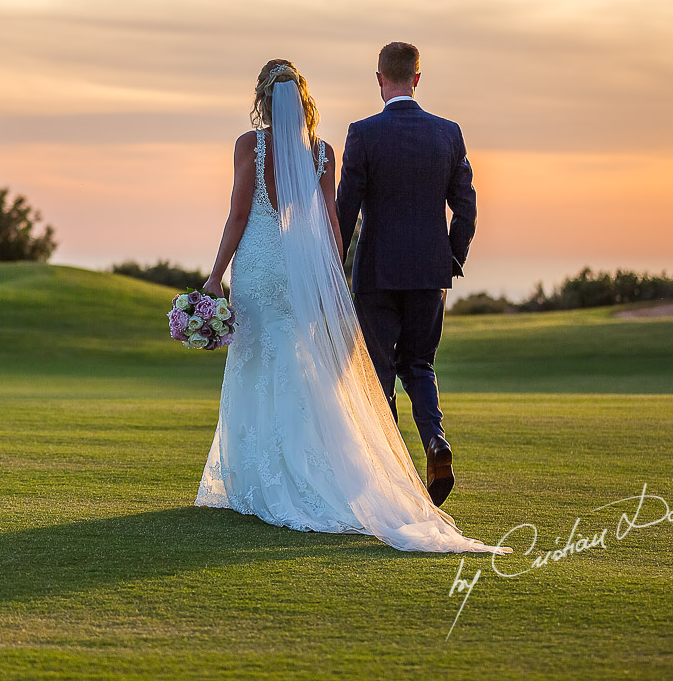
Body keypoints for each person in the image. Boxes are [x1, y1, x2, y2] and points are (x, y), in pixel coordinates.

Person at [195, 58, 503, 553]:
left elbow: (237, 217)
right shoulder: (322, 152)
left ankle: (255, 480)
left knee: (253, 361)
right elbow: (336, 226)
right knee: (302, 365)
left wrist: (214, 277)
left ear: (262, 99)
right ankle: (335, 465)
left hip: (256, 265)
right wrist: (333, 279)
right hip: (302, 270)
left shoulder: (249, 145)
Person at [336, 41, 473, 507]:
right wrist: (452, 256)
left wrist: (334, 265)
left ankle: (388, 468)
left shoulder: (363, 133)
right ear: (417, 78)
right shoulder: (448, 133)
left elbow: (345, 209)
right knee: (420, 364)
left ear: (379, 79)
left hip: (375, 273)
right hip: (429, 273)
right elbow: (467, 208)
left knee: (379, 373)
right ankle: (435, 442)